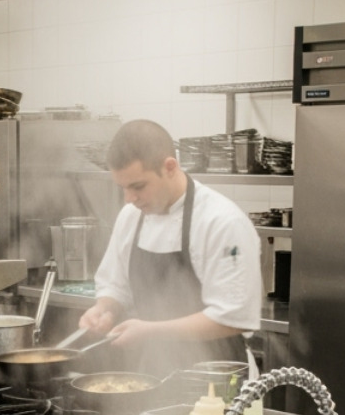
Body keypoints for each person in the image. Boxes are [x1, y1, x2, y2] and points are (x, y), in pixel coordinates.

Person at [77, 119, 263, 373]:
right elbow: (116, 285)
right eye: (122, 188)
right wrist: (104, 309)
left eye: (138, 186)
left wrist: (151, 331)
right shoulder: (131, 216)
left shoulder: (222, 222)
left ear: (170, 167)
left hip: (220, 378)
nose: (129, 199)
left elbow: (233, 318)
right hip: (153, 373)